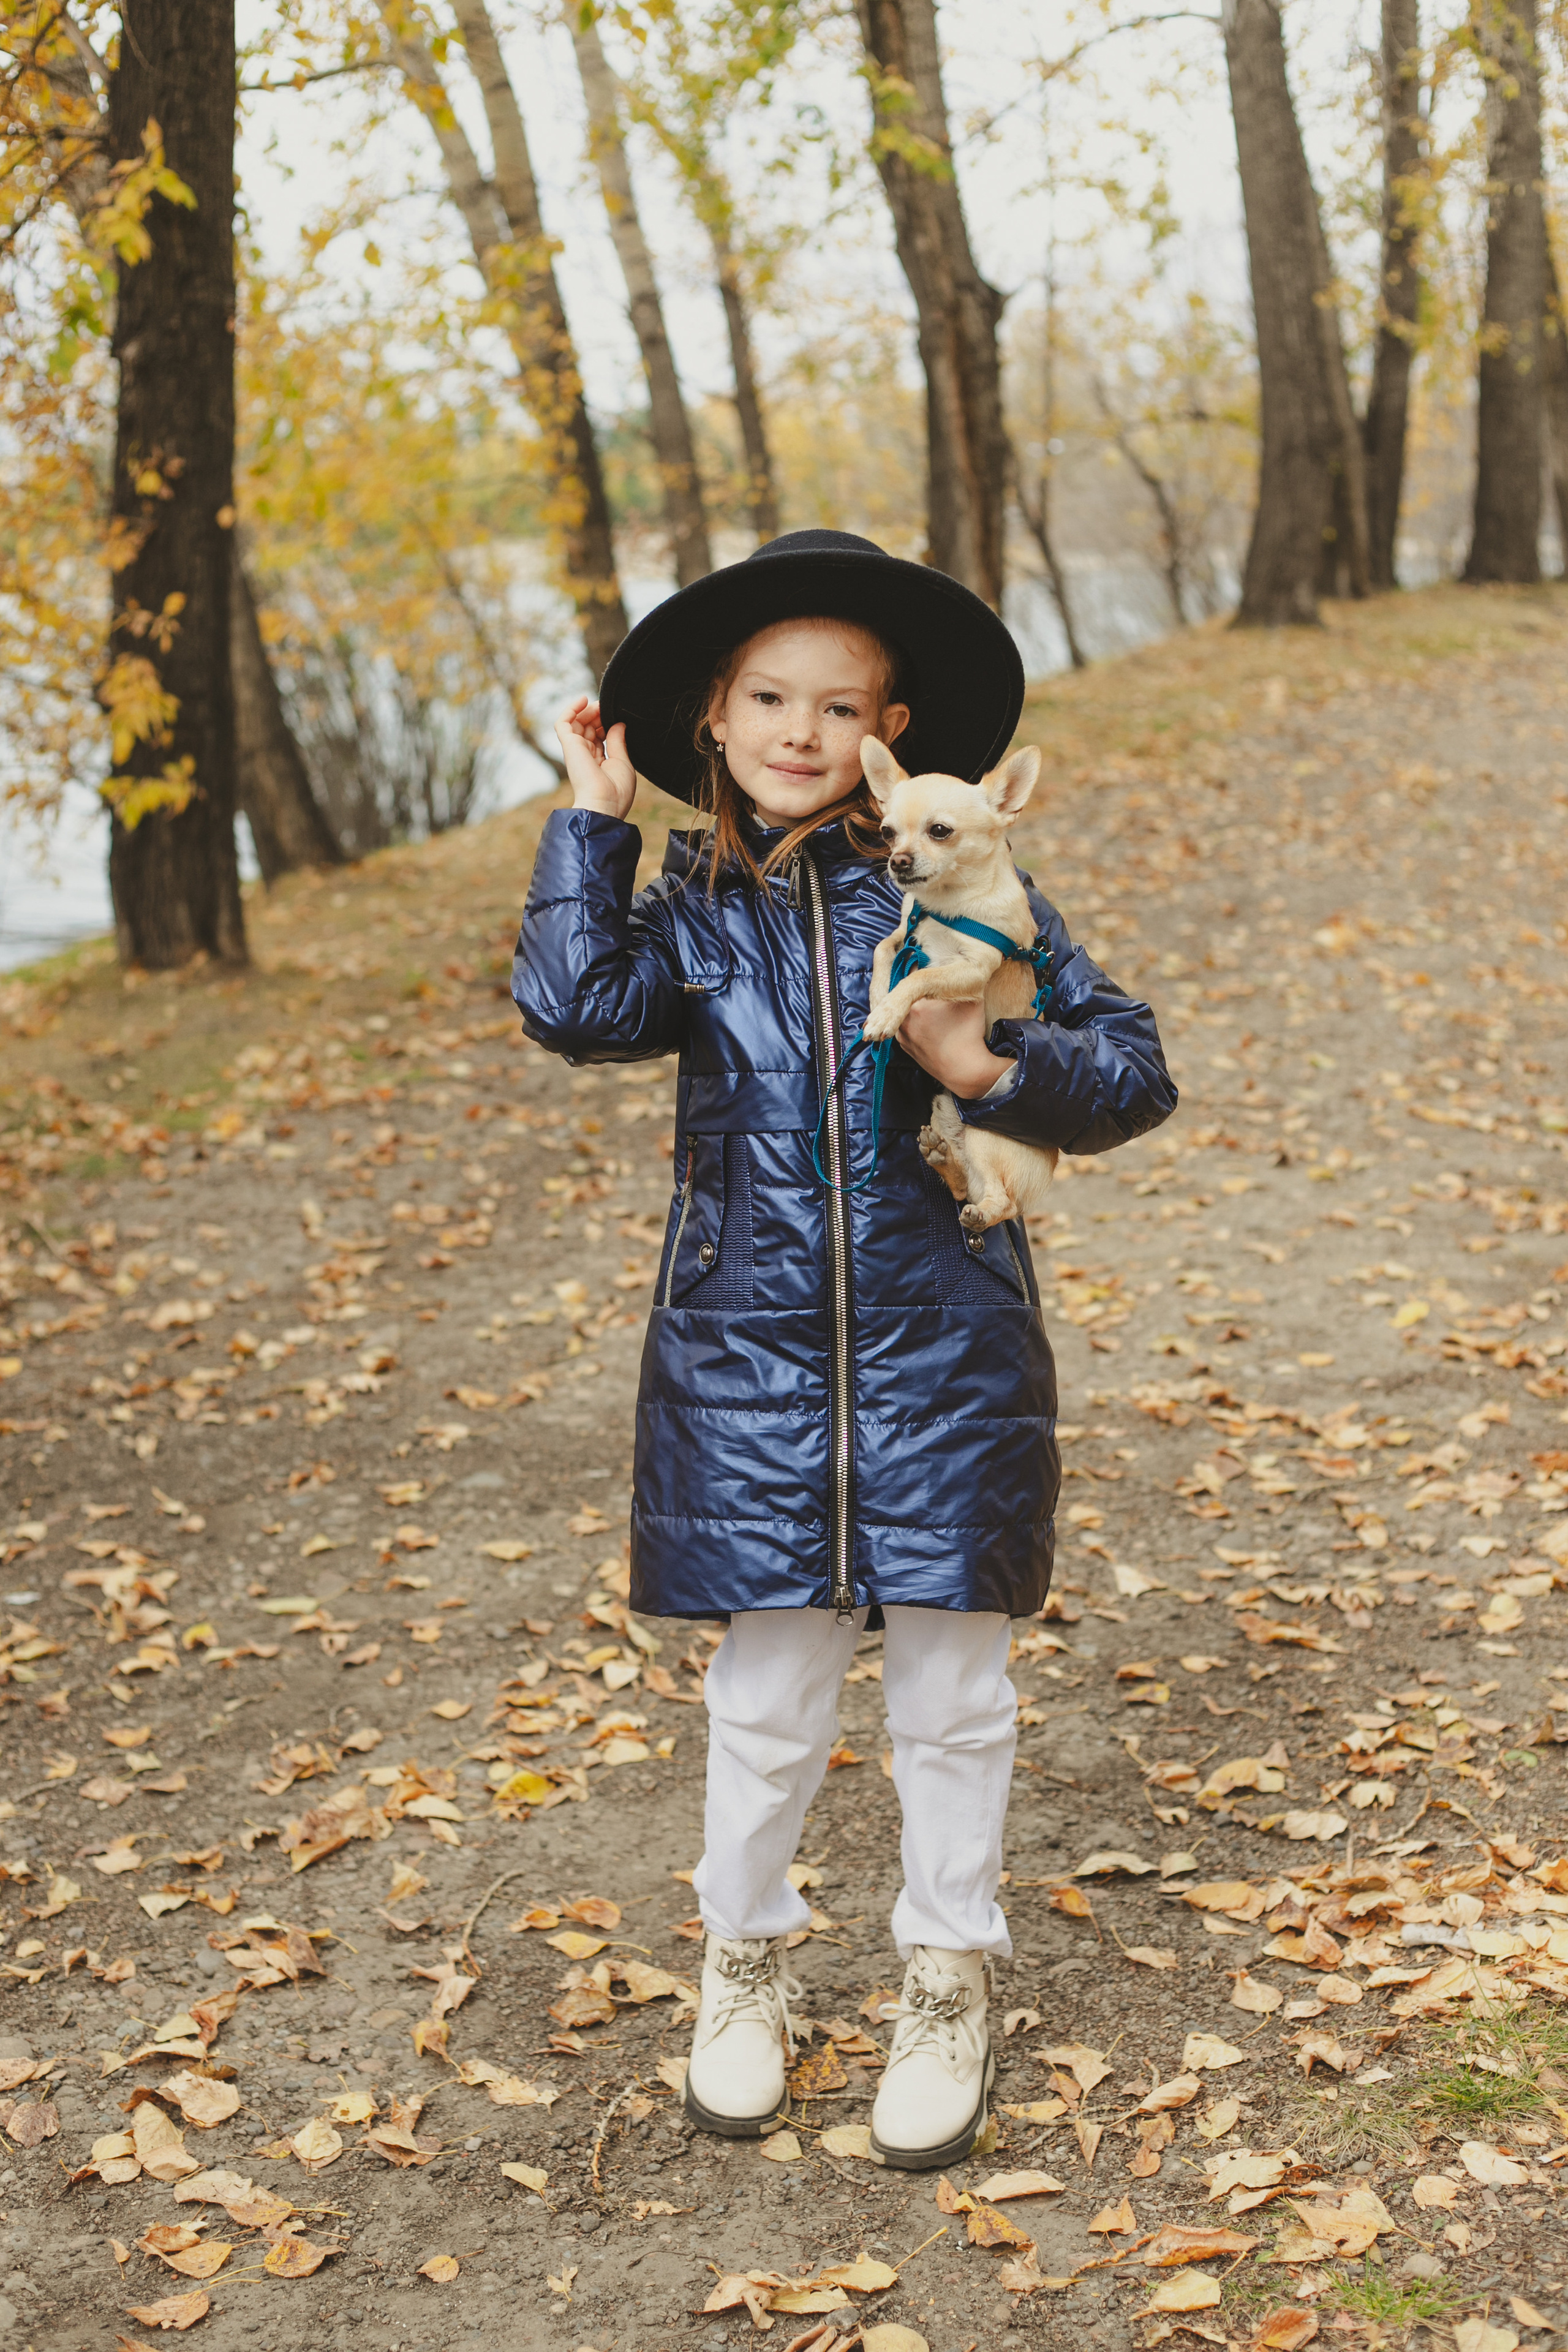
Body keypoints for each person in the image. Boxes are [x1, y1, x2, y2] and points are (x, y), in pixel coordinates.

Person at [513, 529, 1175, 2170]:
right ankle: (743, 1964)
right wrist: (590, 836)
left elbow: (1132, 1072)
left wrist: (988, 1056)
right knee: (769, 1697)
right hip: (748, 1365)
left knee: (953, 1695)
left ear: (892, 736)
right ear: (717, 723)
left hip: (948, 1347)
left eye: (840, 706)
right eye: (769, 698)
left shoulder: (958, 887)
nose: (803, 731)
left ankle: (946, 1976)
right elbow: (572, 1006)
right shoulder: (692, 917)